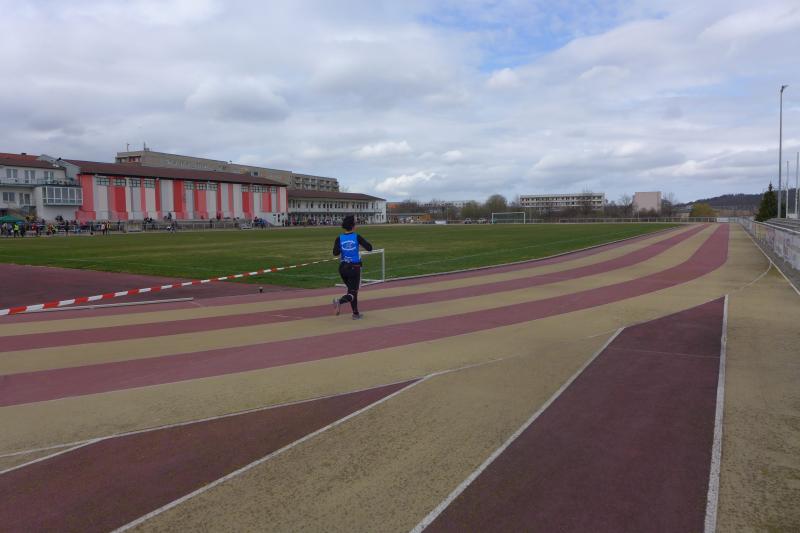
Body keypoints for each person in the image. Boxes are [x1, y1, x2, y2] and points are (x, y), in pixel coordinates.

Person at [332, 215, 373, 320]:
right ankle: (339, 301)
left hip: (342, 268)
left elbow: (335, 253)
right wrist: (359, 245)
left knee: (352, 291)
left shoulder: (339, 238)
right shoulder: (357, 237)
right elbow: (369, 248)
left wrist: (343, 248)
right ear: (353, 226)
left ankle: (356, 313)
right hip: (354, 268)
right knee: (353, 293)